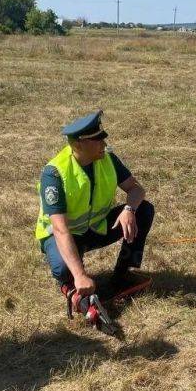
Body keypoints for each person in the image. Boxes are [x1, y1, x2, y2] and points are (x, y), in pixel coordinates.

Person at [34, 111, 154, 312]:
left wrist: (129, 209)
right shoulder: (54, 174)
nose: (104, 144)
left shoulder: (108, 159)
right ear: (78, 145)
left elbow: (137, 189)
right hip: (63, 236)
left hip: (95, 230)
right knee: (64, 269)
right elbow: (60, 229)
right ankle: (69, 283)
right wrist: (80, 275)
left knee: (144, 210)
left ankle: (122, 276)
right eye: (97, 140)